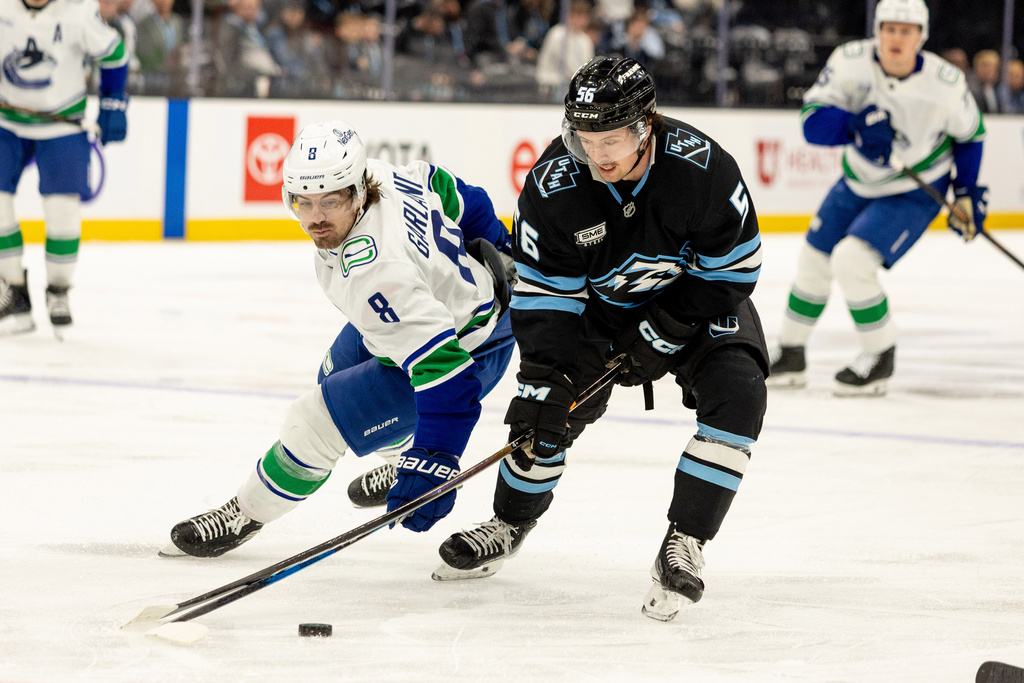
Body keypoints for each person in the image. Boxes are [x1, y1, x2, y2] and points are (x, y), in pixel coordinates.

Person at [432, 56, 769, 623]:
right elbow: (546, 299)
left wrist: (665, 327)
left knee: (740, 395)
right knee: (544, 416)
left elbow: (734, 271)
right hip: (599, 315)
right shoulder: (553, 185)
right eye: (586, 139)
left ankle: (685, 541)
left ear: (647, 125)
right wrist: (545, 378)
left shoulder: (704, 168)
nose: (599, 154)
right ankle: (510, 521)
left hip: (695, 305)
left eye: (612, 138)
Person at [163, 120, 516, 558]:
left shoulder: (376, 274)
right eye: (303, 202)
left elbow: (449, 379)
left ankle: (244, 512)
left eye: (329, 201)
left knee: (315, 424)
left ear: (354, 191)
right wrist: (503, 244)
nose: (315, 218)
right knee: (333, 375)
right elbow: (452, 190)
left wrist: (434, 460)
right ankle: (397, 454)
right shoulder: (382, 176)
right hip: (439, 316)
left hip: (467, 347)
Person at [768, 0, 987, 397]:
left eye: (906, 30)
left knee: (852, 260)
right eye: (889, 28)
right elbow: (812, 123)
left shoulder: (946, 82)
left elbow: (971, 135)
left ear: (921, 36)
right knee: (813, 260)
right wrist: (855, 126)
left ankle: (880, 354)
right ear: (877, 30)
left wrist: (968, 193)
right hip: (857, 181)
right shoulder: (850, 61)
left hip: (914, 190)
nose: (896, 38)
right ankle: (791, 352)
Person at [0, 0, 129, 337]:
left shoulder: (79, 10)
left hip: (62, 123)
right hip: (6, 121)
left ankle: (58, 290)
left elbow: (114, 54)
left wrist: (114, 100)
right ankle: (14, 292)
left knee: (62, 214)